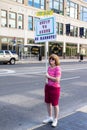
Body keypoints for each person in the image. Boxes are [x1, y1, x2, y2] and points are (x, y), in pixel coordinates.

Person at [43, 54, 61, 127]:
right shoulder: (49, 68)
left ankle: (55, 119)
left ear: (55, 60)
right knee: (48, 102)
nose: (51, 61)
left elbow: (57, 80)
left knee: (55, 104)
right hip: (48, 87)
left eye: (53, 59)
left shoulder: (58, 68)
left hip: (55, 88)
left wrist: (48, 76)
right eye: (50, 59)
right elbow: (47, 78)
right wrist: (46, 80)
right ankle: (50, 117)